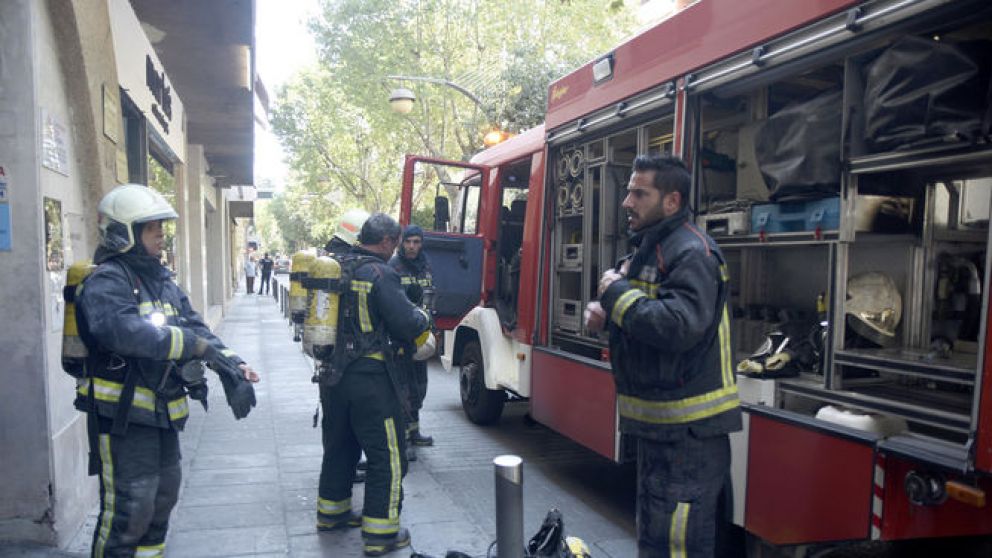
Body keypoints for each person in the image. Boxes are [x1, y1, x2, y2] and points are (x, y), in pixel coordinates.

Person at [74, 183, 260, 557]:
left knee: (162, 500)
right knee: (128, 511)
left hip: (161, 413)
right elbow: (125, 332)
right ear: (122, 232)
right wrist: (192, 346)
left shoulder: (160, 280)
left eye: (161, 226)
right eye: (151, 227)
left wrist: (231, 363)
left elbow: (195, 326)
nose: (161, 234)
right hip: (123, 418)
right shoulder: (107, 280)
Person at [585, 155, 741, 558]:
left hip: (688, 438)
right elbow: (646, 313)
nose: (627, 202)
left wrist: (616, 296)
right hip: (664, 433)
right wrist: (608, 314)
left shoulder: (692, 252)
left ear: (671, 201)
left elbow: (677, 327)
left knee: (677, 545)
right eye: (628, 191)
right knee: (657, 538)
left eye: (639, 193)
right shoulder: (653, 248)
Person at [316, 213, 430, 556]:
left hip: (332, 378)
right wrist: (424, 315)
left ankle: (331, 513)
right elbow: (407, 323)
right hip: (371, 381)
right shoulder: (380, 273)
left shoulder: (335, 267)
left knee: (340, 445)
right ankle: (382, 533)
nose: (396, 247)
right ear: (386, 242)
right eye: (395, 242)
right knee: (387, 456)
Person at [321, 208, 371, 484]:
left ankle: (340, 468)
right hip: (349, 355)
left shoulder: (327, 261)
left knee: (334, 420)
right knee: (347, 423)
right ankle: (343, 471)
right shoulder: (353, 265)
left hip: (328, 353)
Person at [388, 225, 435, 461]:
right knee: (402, 391)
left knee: (419, 388)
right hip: (400, 342)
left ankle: (414, 432)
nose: (412, 246)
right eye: (408, 242)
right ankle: (402, 439)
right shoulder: (393, 267)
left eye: (417, 242)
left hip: (420, 338)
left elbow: (430, 300)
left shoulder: (425, 266)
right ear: (401, 243)